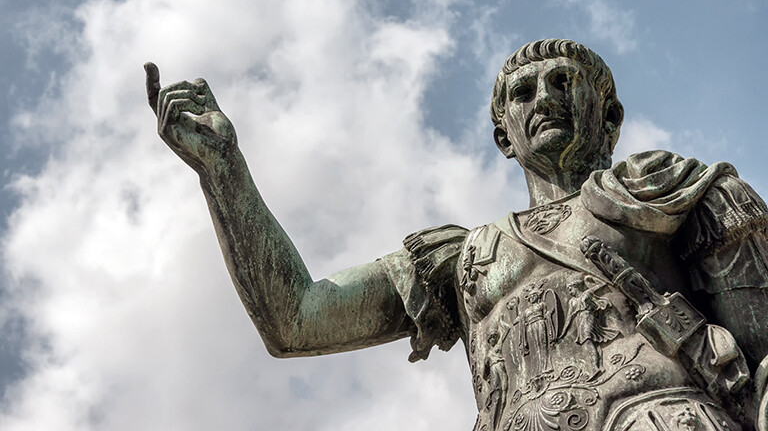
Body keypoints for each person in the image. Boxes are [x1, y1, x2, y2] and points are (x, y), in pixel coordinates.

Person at [145, 39, 768, 431]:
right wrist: (223, 171)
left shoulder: (670, 191)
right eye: (523, 92)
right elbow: (299, 320)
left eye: (562, 81)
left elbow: (761, 360)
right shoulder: (464, 256)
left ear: (609, 117)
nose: (544, 98)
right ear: (504, 135)